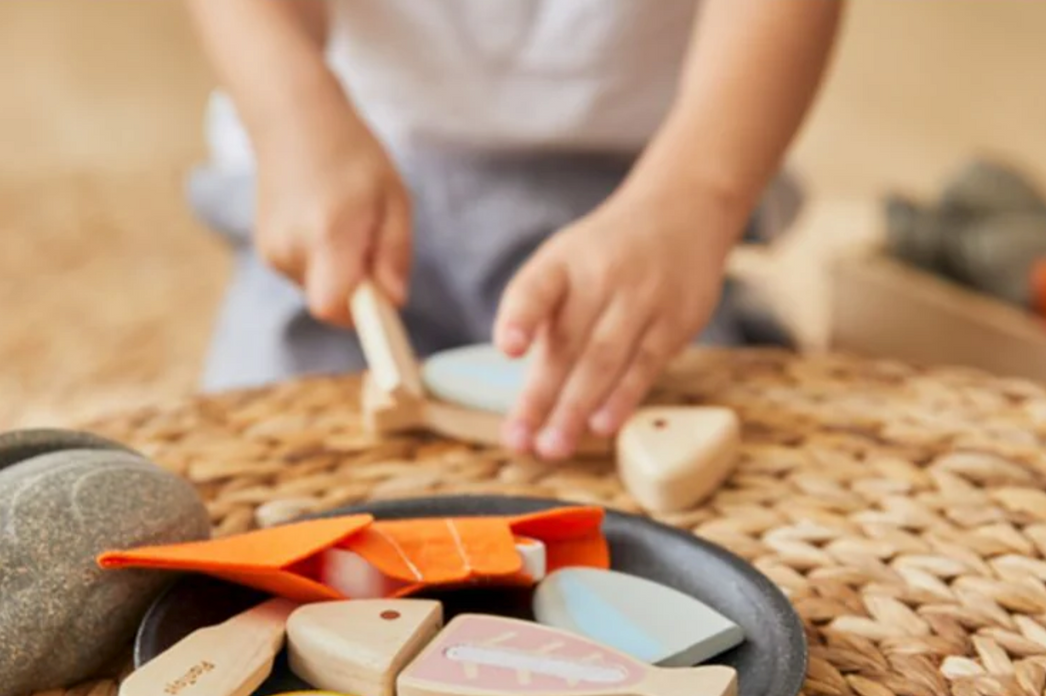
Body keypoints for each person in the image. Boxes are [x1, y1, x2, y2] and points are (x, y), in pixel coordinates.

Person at [186, 0, 843, 460]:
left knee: (688, 431)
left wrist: (695, 200)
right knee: (272, 438)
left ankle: (730, 305)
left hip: (629, 192)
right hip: (342, 163)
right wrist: (290, 116)